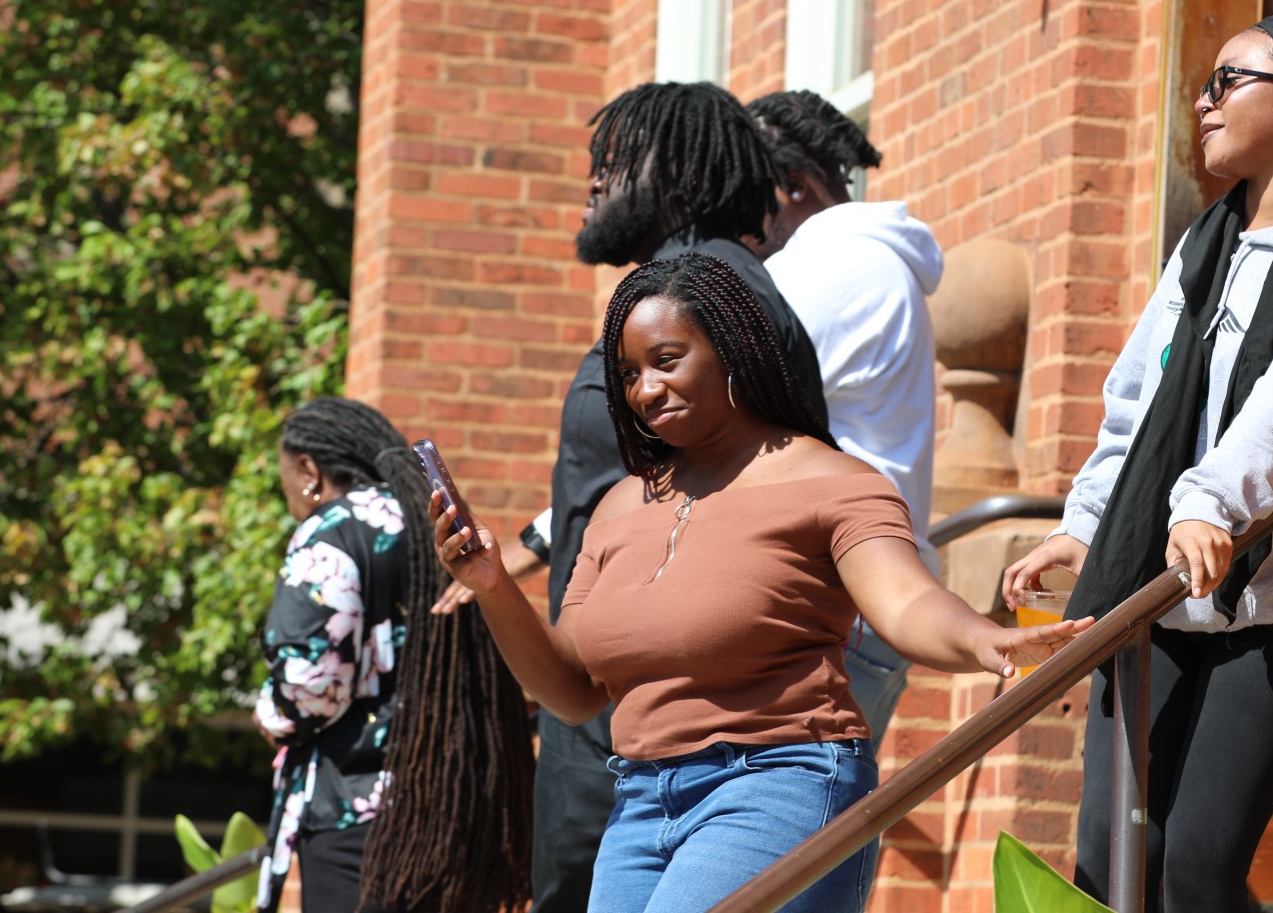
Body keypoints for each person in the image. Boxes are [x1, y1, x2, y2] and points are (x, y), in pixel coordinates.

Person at [433, 252, 1089, 911]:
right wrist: (493, 586)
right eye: (629, 373)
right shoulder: (619, 506)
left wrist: (982, 641)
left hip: (778, 783)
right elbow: (573, 691)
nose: (645, 390)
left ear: (732, 352)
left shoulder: (832, 481)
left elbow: (907, 598)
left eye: (667, 360)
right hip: (638, 802)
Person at [1003, 13, 1273, 913]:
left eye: (1229, 81)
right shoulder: (1204, 247)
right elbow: (1139, 405)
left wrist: (1209, 504)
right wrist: (1087, 528)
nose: (1205, 100)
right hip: (1158, 586)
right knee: (1112, 853)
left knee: (1195, 868)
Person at [522, 81, 829, 913]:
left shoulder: (720, 306)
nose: (595, 182)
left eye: (614, 164)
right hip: (619, 703)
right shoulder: (684, 299)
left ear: (684, 177)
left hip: (667, 727)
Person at [255, 398, 535, 913]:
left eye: (285, 480)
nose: (289, 496)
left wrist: (270, 715)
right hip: (452, 799)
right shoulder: (428, 520)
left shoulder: (330, 531)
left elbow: (310, 687)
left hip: (359, 823)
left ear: (308, 472)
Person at [748, 88, 944, 742]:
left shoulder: (833, 266)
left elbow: (720, 404)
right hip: (850, 597)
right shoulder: (851, 261)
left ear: (797, 185)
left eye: (746, 188)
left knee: (804, 834)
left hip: (834, 608)